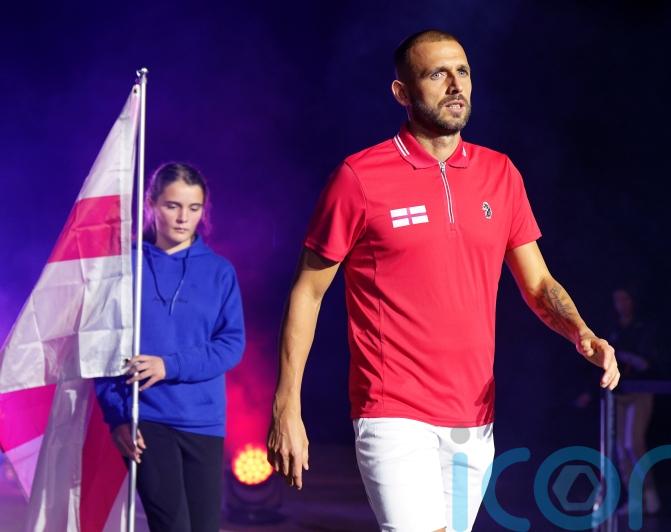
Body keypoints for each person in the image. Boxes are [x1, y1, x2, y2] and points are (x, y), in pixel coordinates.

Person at [267, 29, 620, 532]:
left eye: (463, 72)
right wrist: (287, 405)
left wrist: (581, 332)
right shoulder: (360, 176)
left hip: (474, 417)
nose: (456, 84)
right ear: (402, 93)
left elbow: (539, 284)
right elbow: (308, 291)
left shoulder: (500, 175)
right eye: (437, 73)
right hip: (392, 409)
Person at [95, 162, 245, 532]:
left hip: (204, 421)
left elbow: (231, 345)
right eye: (172, 206)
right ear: (151, 204)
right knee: (172, 527)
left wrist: (169, 365)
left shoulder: (219, 271)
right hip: (147, 418)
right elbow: (100, 347)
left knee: (204, 528)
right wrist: (116, 417)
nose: (183, 218)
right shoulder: (125, 267)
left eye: (194, 208)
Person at [607, 286, 661, 515]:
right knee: (620, 448)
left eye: (625, 298)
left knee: (633, 444)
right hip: (619, 392)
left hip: (640, 390)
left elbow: (649, 362)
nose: (621, 304)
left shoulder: (644, 328)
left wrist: (627, 356)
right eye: (617, 299)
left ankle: (650, 495)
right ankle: (634, 498)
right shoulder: (613, 329)